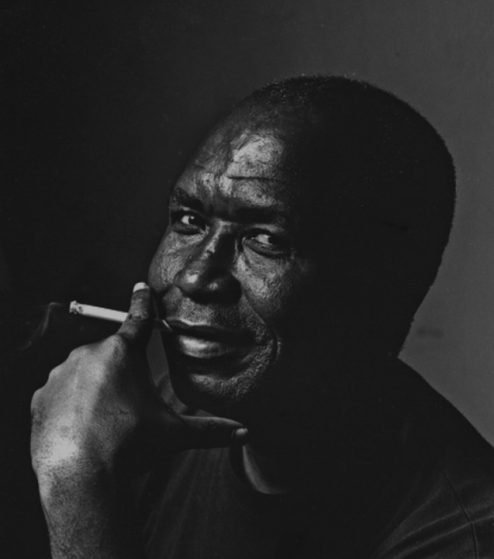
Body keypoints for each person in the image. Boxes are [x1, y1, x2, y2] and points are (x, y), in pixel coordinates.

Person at [30, 77, 494, 558]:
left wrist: (76, 485)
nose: (194, 277)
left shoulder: (463, 539)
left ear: (385, 286)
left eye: (266, 239)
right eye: (189, 220)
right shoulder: (161, 420)